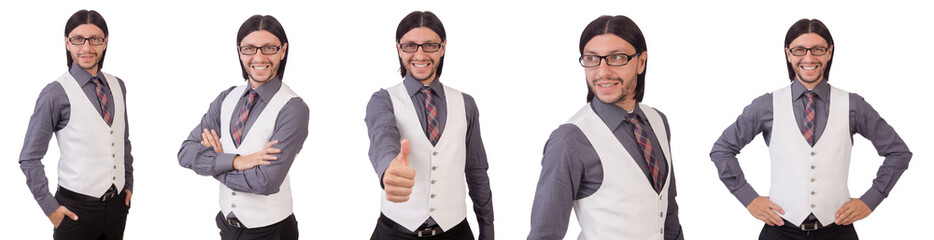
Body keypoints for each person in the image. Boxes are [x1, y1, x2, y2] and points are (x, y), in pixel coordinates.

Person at [709, 18, 912, 239]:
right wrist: (748, 197)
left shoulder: (854, 105)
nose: (809, 58)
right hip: (780, 231)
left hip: (837, 231)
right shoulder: (766, 105)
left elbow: (898, 153)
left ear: (829, 52)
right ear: (788, 54)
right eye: (799, 50)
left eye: (817, 49)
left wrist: (871, 199)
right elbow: (722, 150)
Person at [527, 15, 683, 240]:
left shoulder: (658, 121)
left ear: (641, 62)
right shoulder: (569, 140)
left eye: (617, 57)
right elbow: (545, 235)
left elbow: (667, 209)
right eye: (592, 58)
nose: (602, 72)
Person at [365, 10, 494, 240]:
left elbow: (476, 172)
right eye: (410, 46)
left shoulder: (466, 104)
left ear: (443, 47)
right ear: (398, 48)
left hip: (456, 233)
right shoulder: (382, 100)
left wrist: (487, 229)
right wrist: (388, 169)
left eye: (430, 45)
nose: (420, 54)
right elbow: (382, 136)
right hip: (395, 233)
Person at [177, 14, 307, 240]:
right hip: (227, 228)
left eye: (268, 48)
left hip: (271, 232)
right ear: (239, 51)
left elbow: (265, 182)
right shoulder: (226, 98)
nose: (258, 57)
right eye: (249, 48)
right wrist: (236, 161)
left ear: (282, 51)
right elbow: (186, 152)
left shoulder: (293, 108)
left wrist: (212, 165)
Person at [19, 9, 134, 240]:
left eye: (95, 39)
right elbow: (29, 157)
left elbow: (122, 140)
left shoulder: (118, 85)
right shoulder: (55, 93)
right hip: (75, 211)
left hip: (116, 208)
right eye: (78, 39)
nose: (87, 47)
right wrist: (49, 207)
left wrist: (128, 184)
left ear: (105, 43)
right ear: (67, 43)